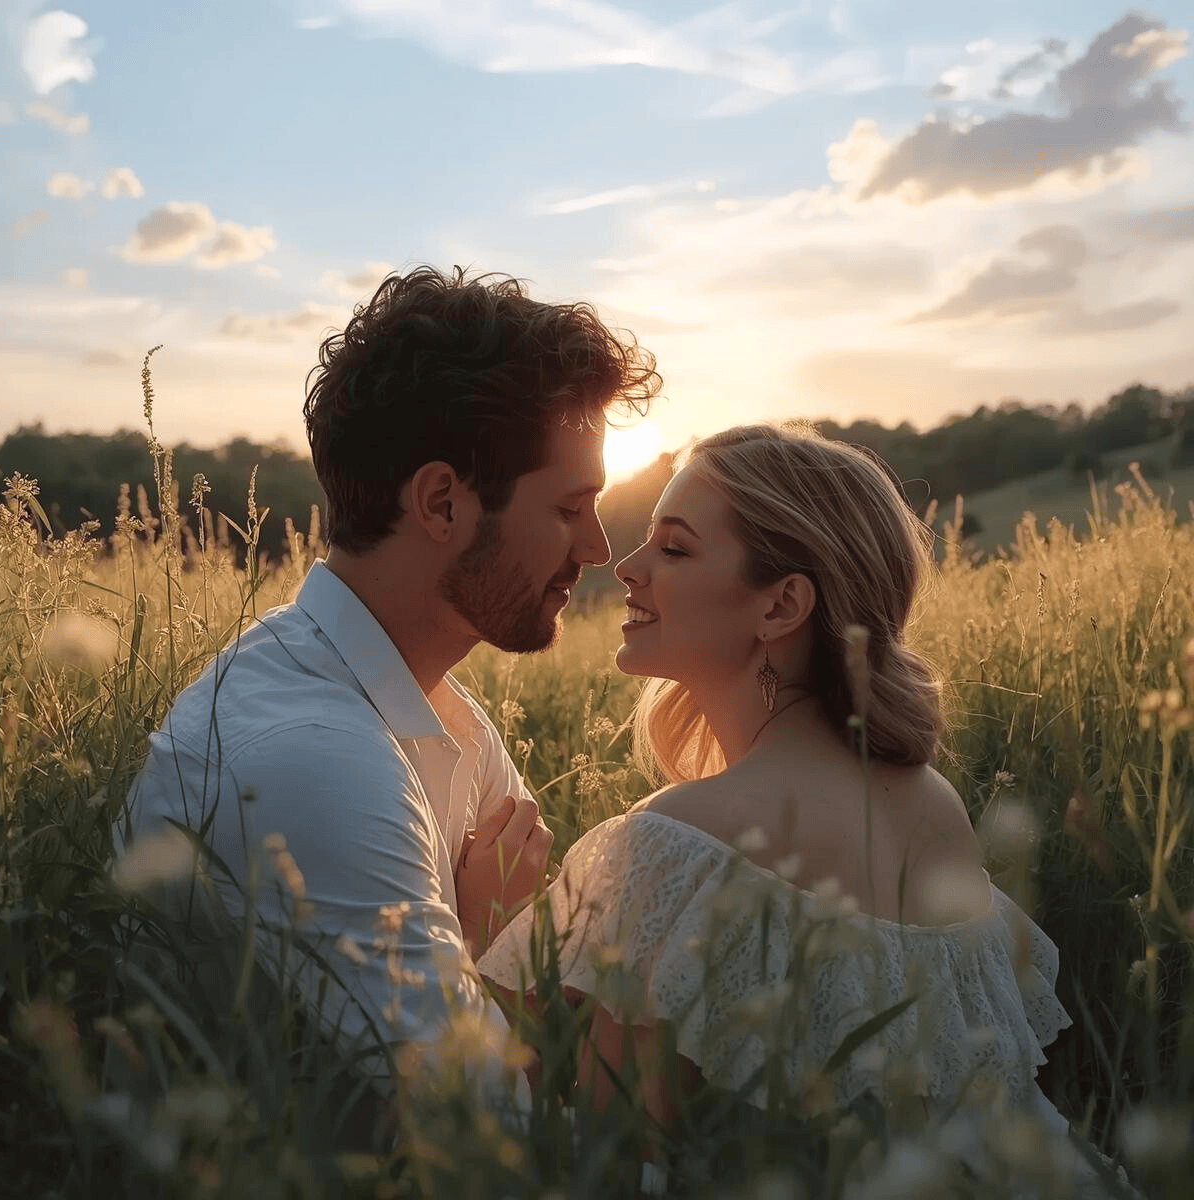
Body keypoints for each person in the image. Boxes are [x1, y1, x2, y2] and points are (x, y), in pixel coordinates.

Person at [479, 423, 1116, 1193]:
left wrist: (486, 931)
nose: (628, 566)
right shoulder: (930, 802)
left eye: (674, 549)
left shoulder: (674, 842)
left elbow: (609, 1161)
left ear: (782, 604)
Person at [121, 266, 660, 1117]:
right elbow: (487, 1134)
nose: (596, 547)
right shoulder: (315, 760)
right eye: (568, 508)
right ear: (442, 502)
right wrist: (486, 946)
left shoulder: (441, 711)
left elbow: (563, 1030)